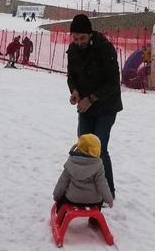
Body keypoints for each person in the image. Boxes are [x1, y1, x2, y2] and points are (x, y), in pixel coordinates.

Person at [66, 14, 122, 197]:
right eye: (75, 38)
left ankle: (108, 192)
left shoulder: (105, 49)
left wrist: (90, 98)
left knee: (99, 148)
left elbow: (113, 82)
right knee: (83, 147)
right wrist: (74, 91)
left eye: (82, 38)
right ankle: (86, 189)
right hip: (84, 107)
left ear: (90, 34)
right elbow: (71, 76)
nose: (79, 42)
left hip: (106, 106)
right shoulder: (73, 50)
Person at [52, 133, 114, 218]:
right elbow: (102, 184)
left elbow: (62, 182)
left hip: (72, 199)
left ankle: (60, 216)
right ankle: (94, 220)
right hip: (94, 201)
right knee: (99, 200)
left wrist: (56, 195)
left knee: (62, 199)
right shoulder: (98, 165)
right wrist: (109, 199)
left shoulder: (71, 162)